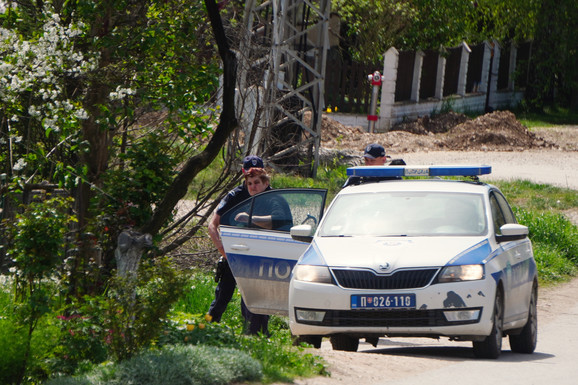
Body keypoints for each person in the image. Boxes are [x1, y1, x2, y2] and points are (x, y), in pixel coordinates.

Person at [207, 155, 270, 335]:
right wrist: (222, 249)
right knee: (222, 298)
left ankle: (257, 335)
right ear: (243, 174)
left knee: (254, 300)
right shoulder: (235, 195)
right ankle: (207, 330)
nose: (253, 184)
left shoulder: (270, 194)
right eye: (249, 175)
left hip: (258, 256)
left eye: (257, 174)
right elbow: (212, 225)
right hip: (234, 254)